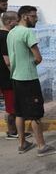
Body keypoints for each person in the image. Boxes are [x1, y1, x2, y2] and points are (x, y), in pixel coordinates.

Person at [7, 5, 56, 156]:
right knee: (35, 114)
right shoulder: (27, 33)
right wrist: (33, 63)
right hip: (29, 78)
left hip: (16, 77)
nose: (36, 19)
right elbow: (38, 58)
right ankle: (41, 146)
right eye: (33, 16)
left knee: (20, 112)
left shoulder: (11, 33)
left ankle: (22, 143)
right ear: (25, 16)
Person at [1, 11, 32, 139]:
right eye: (16, 21)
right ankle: (12, 131)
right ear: (9, 22)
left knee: (11, 105)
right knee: (12, 106)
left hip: (4, 76)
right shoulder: (5, 36)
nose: (18, 23)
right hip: (8, 76)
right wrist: (15, 74)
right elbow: (7, 60)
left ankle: (14, 131)